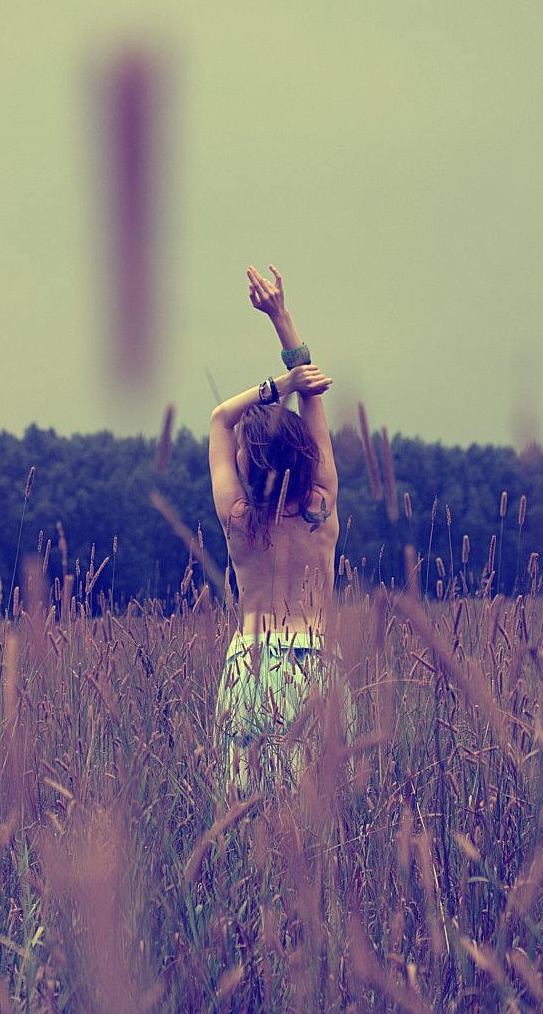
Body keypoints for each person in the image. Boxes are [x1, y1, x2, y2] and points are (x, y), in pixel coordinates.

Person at [209, 265, 340, 789]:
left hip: (250, 665)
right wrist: (282, 318)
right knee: (319, 814)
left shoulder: (238, 519)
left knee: (246, 813)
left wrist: (278, 386)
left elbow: (220, 419)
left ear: (248, 461)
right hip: (315, 667)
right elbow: (314, 398)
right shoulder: (321, 507)